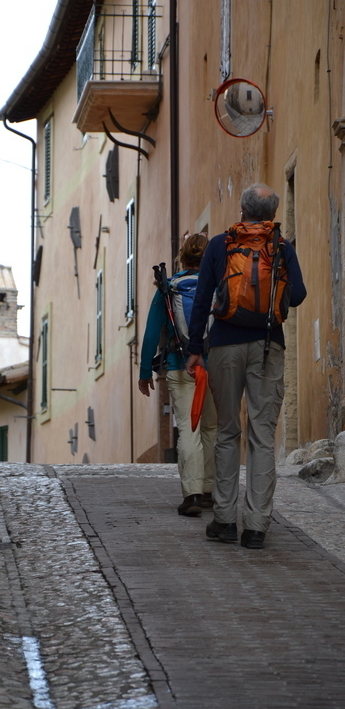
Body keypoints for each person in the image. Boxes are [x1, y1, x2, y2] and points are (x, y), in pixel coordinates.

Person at [186, 184, 307, 549]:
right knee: (261, 435)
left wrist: (194, 349)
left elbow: (203, 296)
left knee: (226, 432)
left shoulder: (221, 244)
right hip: (269, 345)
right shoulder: (282, 247)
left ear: (241, 211)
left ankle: (224, 519)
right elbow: (298, 294)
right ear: (271, 215)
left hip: (224, 345)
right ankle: (255, 527)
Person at [138, 234, 217, 516]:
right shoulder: (218, 285)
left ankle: (192, 494)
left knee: (188, 428)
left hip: (179, 365)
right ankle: (209, 490)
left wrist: (145, 372)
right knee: (210, 428)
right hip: (214, 367)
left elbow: (150, 334)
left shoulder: (168, 289)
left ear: (182, 258)